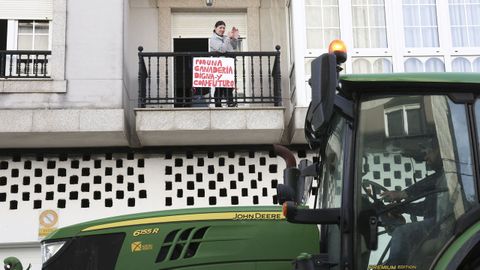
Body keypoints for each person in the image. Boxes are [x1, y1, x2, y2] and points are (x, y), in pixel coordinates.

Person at [380, 144, 450, 266]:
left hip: (444, 223)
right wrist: (402, 208)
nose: (426, 158)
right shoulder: (440, 179)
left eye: (429, 151)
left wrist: (403, 194)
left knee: (401, 233)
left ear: (441, 149)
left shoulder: (449, 173)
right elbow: (427, 208)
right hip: (436, 221)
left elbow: (431, 183)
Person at [209, 20, 239, 107]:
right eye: (220, 27)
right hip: (219, 65)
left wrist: (234, 37)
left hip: (228, 65)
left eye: (224, 28)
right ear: (215, 28)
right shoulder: (213, 39)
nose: (222, 29)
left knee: (229, 84)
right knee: (219, 85)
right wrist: (228, 39)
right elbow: (222, 50)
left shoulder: (225, 38)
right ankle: (218, 104)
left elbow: (233, 47)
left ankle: (230, 102)